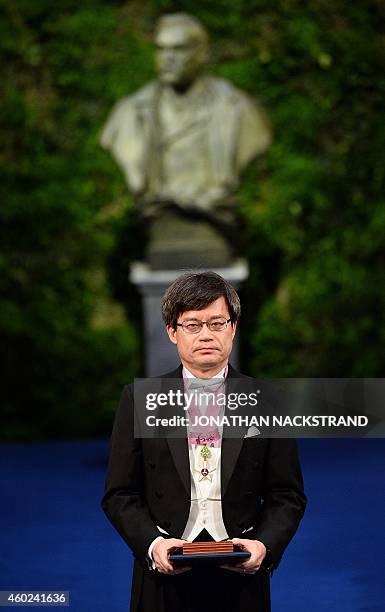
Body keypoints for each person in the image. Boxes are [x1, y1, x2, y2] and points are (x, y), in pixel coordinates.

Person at [102, 271, 306, 611]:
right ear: (172, 332)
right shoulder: (139, 399)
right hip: (164, 574)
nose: (206, 335)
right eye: (193, 325)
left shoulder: (268, 400)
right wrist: (152, 545)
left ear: (233, 327)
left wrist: (264, 547)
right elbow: (119, 493)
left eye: (216, 322)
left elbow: (288, 494)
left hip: (241, 572)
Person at [100, 13, 271, 231]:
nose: (167, 58)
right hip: (160, 231)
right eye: (161, 49)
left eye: (179, 49)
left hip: (215, 234)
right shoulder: (130, 113)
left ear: (202, 54)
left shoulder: (238, 109)